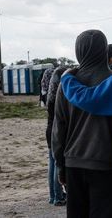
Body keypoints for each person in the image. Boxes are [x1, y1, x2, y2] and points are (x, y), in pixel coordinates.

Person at [51, 29, 112, 217]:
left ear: (78, 52)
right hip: (108, 168)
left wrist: (61, 166)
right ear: (104, 51)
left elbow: (58, 130)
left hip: (74, 166)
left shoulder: (67, 84)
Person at [45, 66, 67, 206]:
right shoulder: (61, 96)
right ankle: (58, 197)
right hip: (56, 131)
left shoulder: (50, 97)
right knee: (58, 162)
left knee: (52, 163)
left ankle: (53, 195)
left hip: (49, 131)